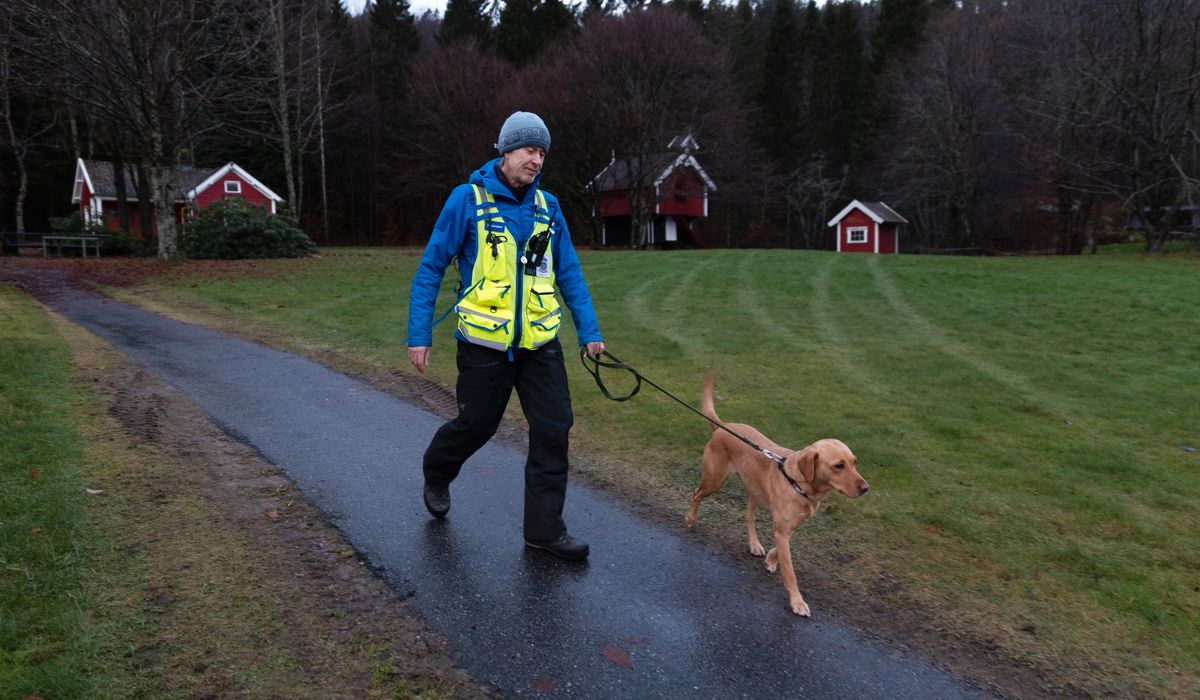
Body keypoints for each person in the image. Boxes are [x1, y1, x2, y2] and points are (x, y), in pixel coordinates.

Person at [407, 111, 605, 561]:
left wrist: (589, 331)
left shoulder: (548, 207)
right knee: (476, 425)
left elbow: (569, 273)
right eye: (528, 150)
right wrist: (420, 334)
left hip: (539, 343)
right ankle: (437, 472)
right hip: (483, 345)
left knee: (554, 429)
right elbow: (431, 268)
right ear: (505, 150)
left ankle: (544, 531)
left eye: (541, 152)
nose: (536, 160)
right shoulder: (467, 200)